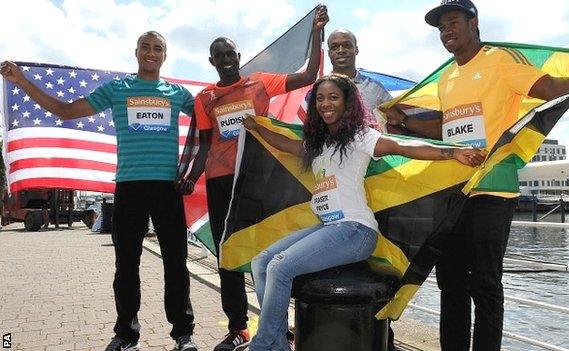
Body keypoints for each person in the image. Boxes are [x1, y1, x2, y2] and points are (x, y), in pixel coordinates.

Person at [386, 1, 569, 349]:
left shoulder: (499, 61)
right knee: (450, 283)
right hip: (455, 189)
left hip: (493, 189)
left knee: (485, 284)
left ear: (473, 23)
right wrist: (404, 121)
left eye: (453, 22)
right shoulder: (447, 76)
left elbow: (548, 87)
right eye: (441, 28)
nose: (446, 31)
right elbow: (446, 126)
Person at [241, 74, 486, 351]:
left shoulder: (361, 136)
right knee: (261, 262)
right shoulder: (319, 143)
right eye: (320, 99)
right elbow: (285, 144)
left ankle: (263, 346)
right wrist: (257, 128)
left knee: (279, 266)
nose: (325, 104)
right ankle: (277, 342)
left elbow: (402, 146)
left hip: (354, 231)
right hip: (327, 228)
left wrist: (451, 153)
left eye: (333, 97)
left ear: (347, 102)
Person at [1, 31, 201, 351]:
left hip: (167, 187)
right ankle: (125, 335)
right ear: (136, 52)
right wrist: (22, 81)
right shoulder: (117, 89)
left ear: (165, 55)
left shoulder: (178, 94)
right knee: (126, 264)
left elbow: (207, 122)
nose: (151, 53)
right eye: (146, 47)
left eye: (158, 49)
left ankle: (183, 334)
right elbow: (66, 111)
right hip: (129, 187)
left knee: (176, 262)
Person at [179, 6, 329, 351]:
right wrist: (190, 177)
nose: (227, 59)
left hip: (258, 179)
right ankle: (237, 328)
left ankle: (276, 324)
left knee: (272, 251)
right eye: (220, 56)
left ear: (239, 56)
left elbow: (308, 76)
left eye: (231, 53)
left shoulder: (260, 82)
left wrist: (316, 32)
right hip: (220, 182)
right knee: (228, 254)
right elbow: (204, 146)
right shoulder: (206, 98)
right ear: (212, 61)